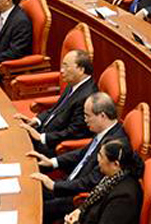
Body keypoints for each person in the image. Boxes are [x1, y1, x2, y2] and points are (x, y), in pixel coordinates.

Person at [29, 93, 128, 223]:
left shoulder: (113, 144)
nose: (85, 120)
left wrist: (55, 186)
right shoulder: (104, 131)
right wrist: (52, 162)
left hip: (75, 198)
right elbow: (83, 153)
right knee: (31, 188)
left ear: (102, 116)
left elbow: (91, 181)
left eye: (87, 115)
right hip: (69, 182)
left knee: (33, 209)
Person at [14, 50, 97, 154]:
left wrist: (42, 137)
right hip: (43, 132)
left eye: (66, 66)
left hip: (51, 145)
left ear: (81, 70)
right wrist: (36, 121)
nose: (62, 70)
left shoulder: (87, 96)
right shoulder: (73, 84)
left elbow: (75, 132)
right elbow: (56, 109)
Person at [63, 140, 144, 224]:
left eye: (101, 156)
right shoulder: (113, 177)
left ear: (115, 164)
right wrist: (79, 212)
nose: (98, 159)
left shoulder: (123, 198)